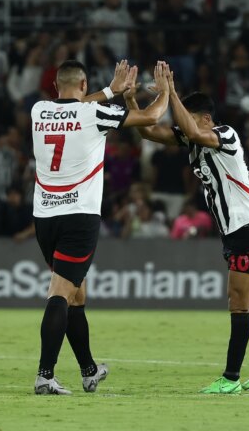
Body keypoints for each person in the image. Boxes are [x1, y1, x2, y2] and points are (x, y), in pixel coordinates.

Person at [126, 67, 249, 395]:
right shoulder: (192, 138)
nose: (182, 125)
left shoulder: (225, 134)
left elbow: (194, 133)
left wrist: (169, 91)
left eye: (188, 117)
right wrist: (130, 97)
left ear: (206, 118)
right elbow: (147, 132)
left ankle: (230, 379)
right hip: (237, 230)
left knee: (237, 301)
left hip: (246, 226)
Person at [30, 59, 169, 396]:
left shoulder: (39, 111)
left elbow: (74, 106)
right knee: (61, 293)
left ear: (55, 87)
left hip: (44, 216)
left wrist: (109, 91)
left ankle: (89, 370)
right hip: (79, 216)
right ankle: (45, 375)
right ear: (83, 84)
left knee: (77, 295)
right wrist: (165, 92)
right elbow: (150, 118)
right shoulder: (94, 115)